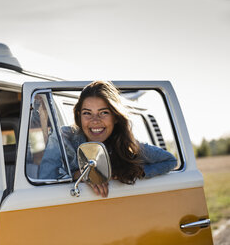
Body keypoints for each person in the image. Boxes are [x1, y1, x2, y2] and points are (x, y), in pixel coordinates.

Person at [38, 81, 177, 197]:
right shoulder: (64, 138)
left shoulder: (126, 145)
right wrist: (80, 175)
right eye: (87, 113)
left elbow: (170, 161)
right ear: (79, 115)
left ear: (115, 117)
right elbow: (44, 179)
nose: (95, 120)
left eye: (103, 112)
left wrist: (128, 173)